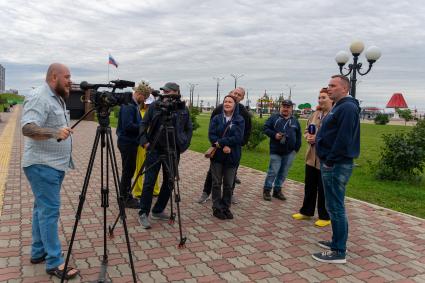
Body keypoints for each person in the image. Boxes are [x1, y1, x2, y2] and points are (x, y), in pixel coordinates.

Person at [21, 63, 79, 280]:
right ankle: (55, 262)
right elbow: (27, 127)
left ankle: (38, 253)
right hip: (42, 165)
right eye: (67, 76)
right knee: (49, 212)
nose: (70, 80)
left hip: (52, 165)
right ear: (54, 77)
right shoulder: (40, 96)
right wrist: (54, 132)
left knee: (41, 209)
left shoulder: (56, 97)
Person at [312, 75, 360, 264]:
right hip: (333, 162)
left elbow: (343, 138)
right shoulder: (340, 105)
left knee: (336, 207)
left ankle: (339, 251)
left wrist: (330, 160)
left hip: (336, 164)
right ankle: (335, 242)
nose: (328, 88)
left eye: (333, 86)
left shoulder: (347, 107)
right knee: (332, 205)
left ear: (345, 89)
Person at [138, 82, 193, 229]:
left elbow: (188, 128)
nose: (165, 95)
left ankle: (158, 210)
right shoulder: (156, 106)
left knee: (170, 182)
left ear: (176, 92)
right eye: (164, 92)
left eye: (168, 92)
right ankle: (143, 212)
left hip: (173, 150)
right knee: (149, 182)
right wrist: (144, 142)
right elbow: (144, 124)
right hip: (154, 149)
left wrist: (183, 145)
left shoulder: (183, 109)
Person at [197, 87, 252, 204]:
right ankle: (206, 193)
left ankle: (230, 194)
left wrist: (235, 146)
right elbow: (212, 130)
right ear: (230, 93)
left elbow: (246, 131)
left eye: (239, 94)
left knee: (231, 174)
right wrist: (218, 144)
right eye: (234, 93)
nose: (236, 95)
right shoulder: (218, 109)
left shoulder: (243, 113)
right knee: (212, 173)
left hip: (233, 150)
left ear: (242, 98)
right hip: (218, 149)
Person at [292, 88, 332, 227]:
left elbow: (334, 136)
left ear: (331, 99)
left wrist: (318, 139)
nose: (320, 100)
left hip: (325, 158)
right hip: (311, 157)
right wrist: (308, 137)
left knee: (323, 189)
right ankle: (306, 211)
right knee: (309, 186)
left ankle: (325, 216)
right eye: (319, 97)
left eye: (324, 98)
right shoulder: (315, 114)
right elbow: (307, 129)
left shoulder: (334, 115)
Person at [208, 95, 245, 219]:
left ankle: (226, 207)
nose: (227, 103)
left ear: (235, 105)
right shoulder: (216, 118)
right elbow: (211, 135)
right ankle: (217, 207)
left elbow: (238, 137)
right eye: (225, 101)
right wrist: (222, 145)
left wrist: (223, 143)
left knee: (229, 184)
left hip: (232, 155)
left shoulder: (239, 120)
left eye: (230, 102)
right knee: (216, 183)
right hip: (217, 156)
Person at [116, 81, 148, 208]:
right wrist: (143, 127)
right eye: (144, 97)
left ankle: (125, 196)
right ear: (139, 94)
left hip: (129, 142)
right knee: (128, 171)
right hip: (127, 143)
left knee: (128, 170)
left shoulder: (133, 104)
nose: (144, 100)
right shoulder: (129, 106)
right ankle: (124, 198)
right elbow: (128, 126)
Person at [262, 99, 301, 201]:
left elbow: (299, 136)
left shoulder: (295, 120)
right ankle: (267, 190)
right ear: (280, 107)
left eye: (288, 107)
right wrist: (275, 135)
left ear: (292, 109)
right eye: (284, 107)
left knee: (283, 172)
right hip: (276, 151)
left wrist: (296, 149)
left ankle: (277, 190)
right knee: (273, 171)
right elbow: (265, 128)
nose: (285, 109)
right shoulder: (274, 118)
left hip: (290, 152)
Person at [131, 90, 160, 198]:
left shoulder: (156, 114)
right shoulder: (140, 112)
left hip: (154, 145)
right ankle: (138, 190)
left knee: (154, 168)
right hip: (142, 145)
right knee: (139, 168)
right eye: (147, 103)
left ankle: (155, 190)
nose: (148, 106)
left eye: (150, 104)